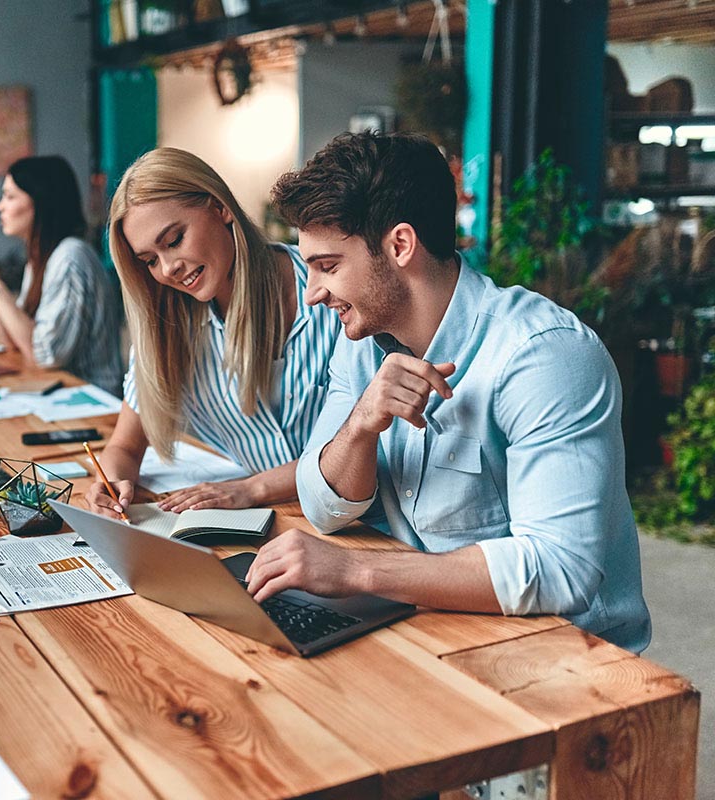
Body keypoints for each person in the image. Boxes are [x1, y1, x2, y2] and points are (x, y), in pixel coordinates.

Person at [248, 131, 650, 653]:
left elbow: (561, 569)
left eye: (328, 267)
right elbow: (325, 508)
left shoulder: (544, 356)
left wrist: (359, 569)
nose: (314, 294)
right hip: (430, 627)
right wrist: (362, 424)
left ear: (400, 246)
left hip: (568, 657)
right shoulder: (361, 340)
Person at [86, 148, 341, 518]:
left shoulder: (329, 292)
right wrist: (111, 486)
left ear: (219, 207)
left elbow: (373, 444)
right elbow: (124, 447)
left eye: (174, 241)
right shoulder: (166, 328)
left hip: (363, 525)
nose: (168, 269)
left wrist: (251, 489)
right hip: (273, 526)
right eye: (150, 261)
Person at [0, 155, 121, 395]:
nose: (0, 206)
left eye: (10, 196)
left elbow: (43, 355)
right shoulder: (39, 260)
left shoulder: (70, 258)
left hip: (91, 403)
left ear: (41, 202)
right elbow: (14, 342)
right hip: (59, 394)